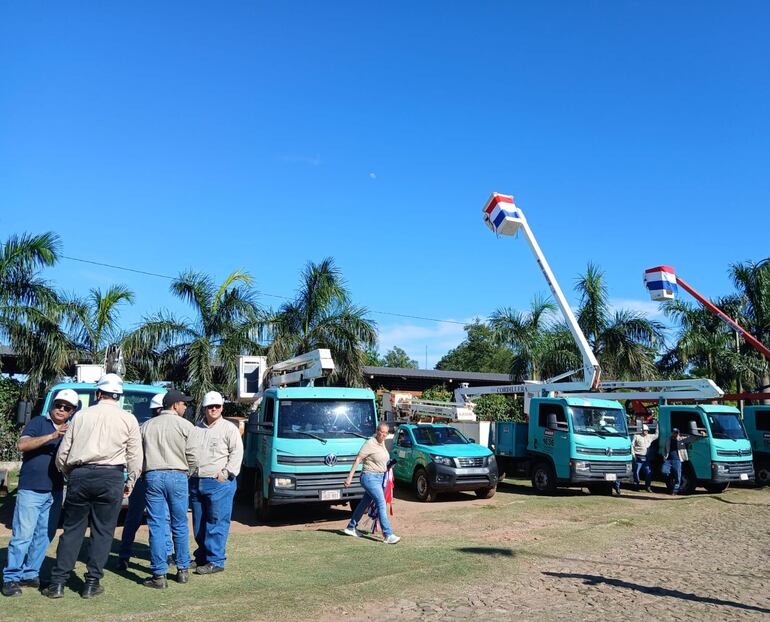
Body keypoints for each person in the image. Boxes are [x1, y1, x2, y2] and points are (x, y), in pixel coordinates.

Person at [43, 374, 142, 599]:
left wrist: (70, 473)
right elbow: (135, 456)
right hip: (111, 476)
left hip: (80, 474)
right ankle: (91, 583)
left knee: (72, 530)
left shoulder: (80, 417)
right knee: (103, 531)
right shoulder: (129, 419)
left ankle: (58, 582)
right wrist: (131, 481)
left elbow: (63, 453)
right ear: (119, 395)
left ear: (98, 394)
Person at [2, 389, 78, 597]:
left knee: (45, 535)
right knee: (22, 535)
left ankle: (30, 573)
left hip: (54, 490)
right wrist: (54, 435)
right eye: (58, 405)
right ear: (52, 405)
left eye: (67, 407)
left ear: (72, 411)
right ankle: (11, 577)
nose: (61, 409)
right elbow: (22, 444)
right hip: (30, 489)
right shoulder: (38, 422)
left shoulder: (73, 430)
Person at [141, 390, 198, 589]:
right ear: (175, 405)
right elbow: (193, 456)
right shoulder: (186, 426)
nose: (185, 407)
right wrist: (186, 473)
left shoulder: (147, 426)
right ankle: (182, 570)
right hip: (178, 474)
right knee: (180, 523)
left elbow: (138, 455)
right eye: (184, 404)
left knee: (157, 525)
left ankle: (159, 575)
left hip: (153, 474)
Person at [117, 393, 173, 572]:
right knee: (160, 517)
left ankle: (124, 555)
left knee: (137, 517)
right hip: (151, 477)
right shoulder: (153, 428)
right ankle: (166, 554)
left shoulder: (143, 427)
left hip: (144, 477)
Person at [188, 391, 243, 575]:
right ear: (204, 408)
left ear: (222, 408)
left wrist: (226, 473)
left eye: (217, 406)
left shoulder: (229, 429)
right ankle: (202, 556)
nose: (213, 409)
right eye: (210, 406)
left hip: (218, 483)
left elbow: (236, 453)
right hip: (196, 481)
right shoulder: (196, 428)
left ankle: (215, 560)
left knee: (216, 521)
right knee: (198, 523)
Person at [343, 422, 401, 544]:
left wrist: (390, 465)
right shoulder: (370, 443)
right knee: (381, 502)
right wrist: (349, 477)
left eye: (386, 433)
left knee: (364, 503)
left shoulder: (382, 443)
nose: (384, 435)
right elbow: (358, 459)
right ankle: (388, 534)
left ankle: (351, 527)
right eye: (382, 432)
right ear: (377, 431)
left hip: (380, 477)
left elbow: (382, 460)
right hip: (369, 477)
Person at [664, 427, 700, 495]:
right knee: (664, 471)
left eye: (676, 433)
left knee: (678, 475)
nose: (675, 434)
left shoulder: (681, 439)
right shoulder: (668, 439)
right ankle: (671, 476)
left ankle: (675, 491)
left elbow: (691, 438)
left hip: (677, 460)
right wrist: (664, 456)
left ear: (678, 433)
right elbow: (665, 448)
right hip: (668, 459)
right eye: (674, 432)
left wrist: (699, 435)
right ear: (672, 433)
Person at [631, 423, 658, 492]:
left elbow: (656, 435)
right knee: (636, 472)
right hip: (638, 457)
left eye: (647, 430)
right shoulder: (636, 436)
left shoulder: (650, 436)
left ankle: (648, 486)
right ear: (641, 430)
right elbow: (632, 446)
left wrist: (657, 425)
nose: (646, 431)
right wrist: (633, 454)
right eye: (644, 430)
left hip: (646, 458)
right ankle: (636, 486)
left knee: (648, 472)